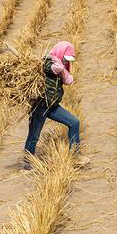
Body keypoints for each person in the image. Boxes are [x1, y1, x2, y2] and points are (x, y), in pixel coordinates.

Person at [22, 40, 88, 169]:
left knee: (74, 123)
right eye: (64, 58)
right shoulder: (48, 61)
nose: (65, 61)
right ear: (60, 52)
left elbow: (67, 79)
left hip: (52, 106)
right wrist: (56, 67)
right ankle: (27, 162)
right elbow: (48, 67)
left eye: (67, 60)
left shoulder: (63, 67)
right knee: (34, 135)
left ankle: (76, 155)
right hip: (40, 107)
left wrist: (63, 70)